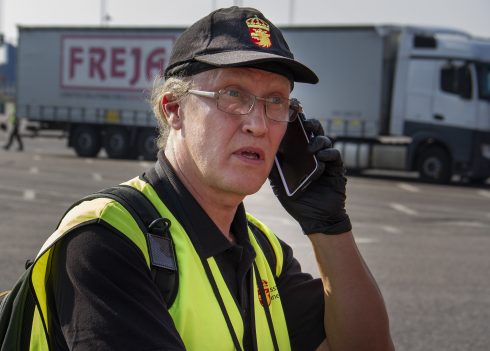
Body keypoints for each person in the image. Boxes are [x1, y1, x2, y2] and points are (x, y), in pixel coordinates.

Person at [27, 6, 394, 351]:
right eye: (233, 94)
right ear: (174, 109)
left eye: (276, 101)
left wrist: (329, 227)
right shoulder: (105, 239)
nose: (259, 124)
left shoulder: (264, 250)